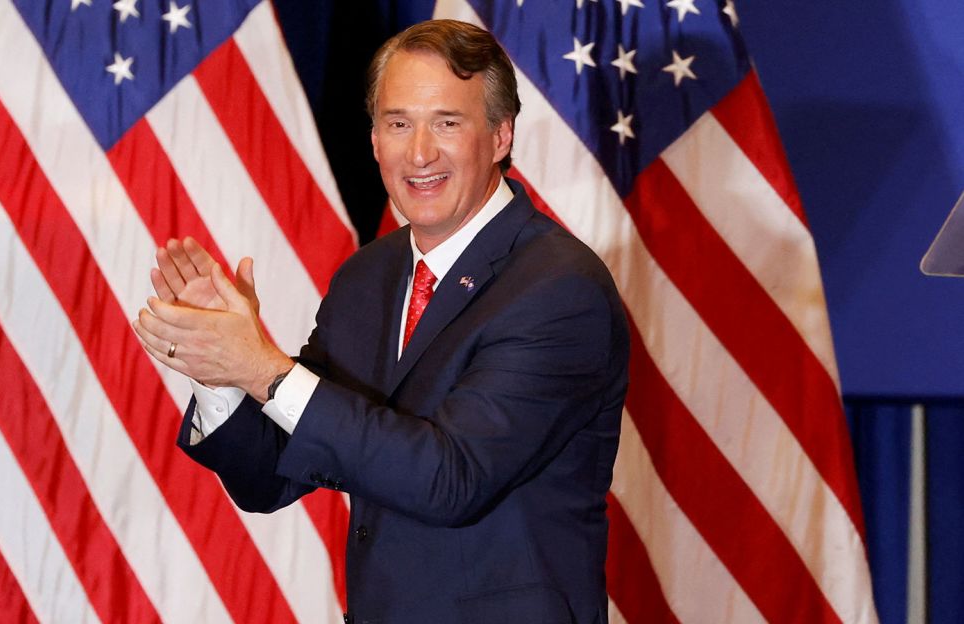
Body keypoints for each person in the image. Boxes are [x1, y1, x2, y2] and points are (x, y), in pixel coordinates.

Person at [133, 19, 628, 624]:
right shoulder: (368, 277)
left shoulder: (557, 288)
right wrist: (220, 369)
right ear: (373, 140)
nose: (418, 153)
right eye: (398, 123)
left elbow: (450, 479)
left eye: (447, 122)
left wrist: (261, 366)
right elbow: (268, 478)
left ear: (500, 136)